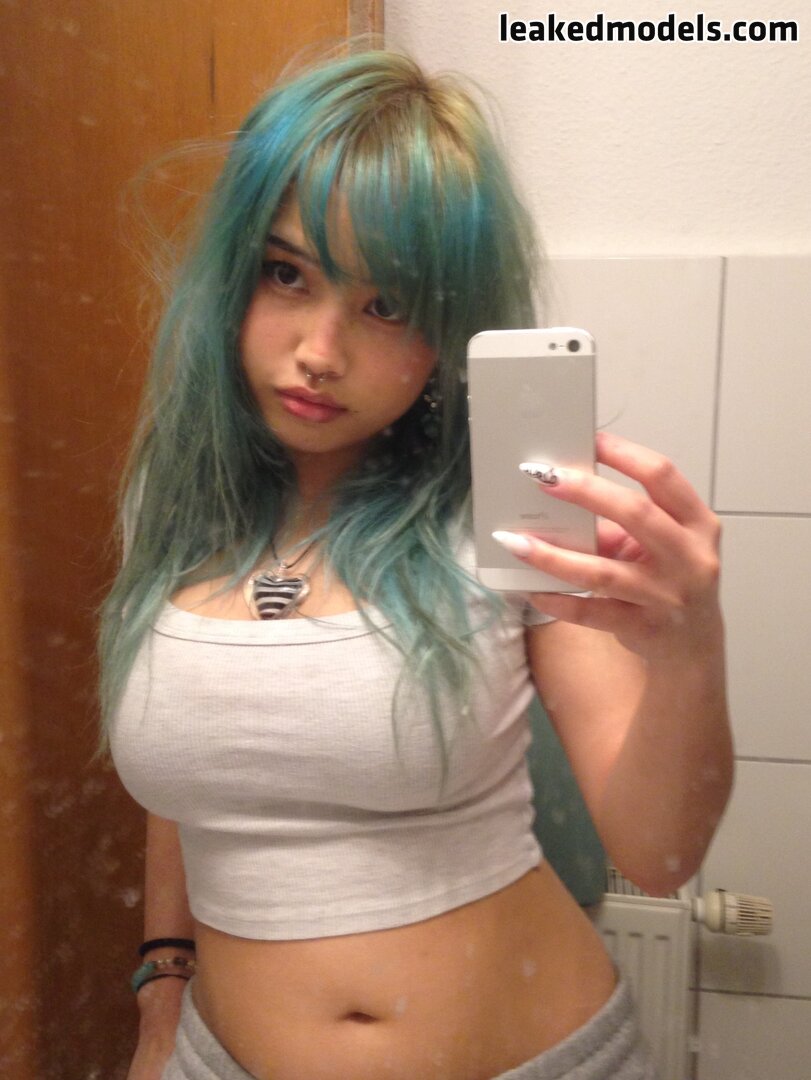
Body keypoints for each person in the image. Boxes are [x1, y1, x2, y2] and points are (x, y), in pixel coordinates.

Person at [99, 46, 733, 1080]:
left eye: (386, 304)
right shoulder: (176, 509)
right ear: (233, 274)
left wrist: (686, 646)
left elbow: (659, 855)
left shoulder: (510, 515)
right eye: (286, 273)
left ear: (447, 330)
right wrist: (161, 989)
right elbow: (197, 774)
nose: (320, 350)